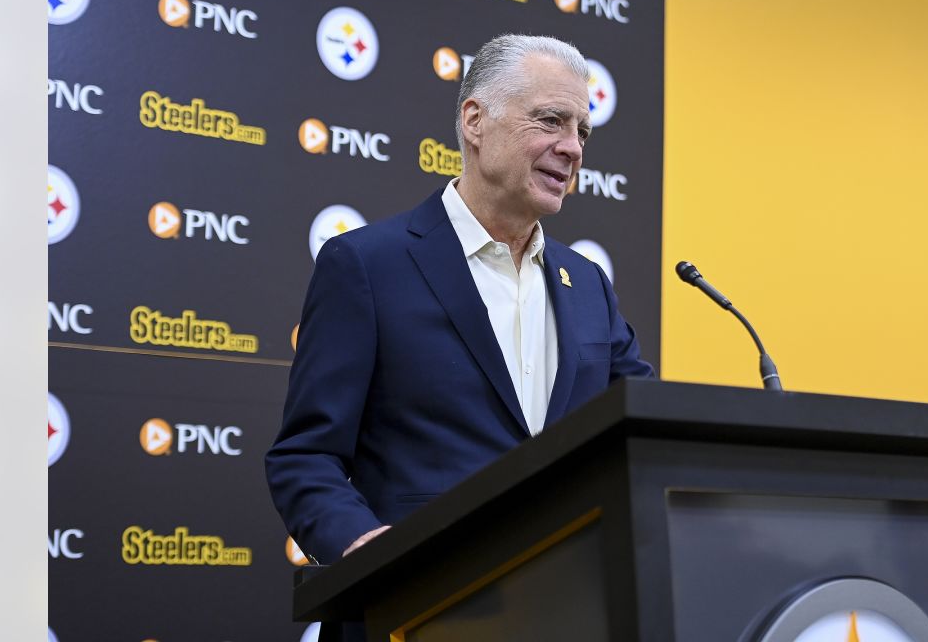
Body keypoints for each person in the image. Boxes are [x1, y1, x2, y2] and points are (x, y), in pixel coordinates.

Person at [265, 34, 653, 587]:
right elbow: (305, 457)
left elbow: (639, 434)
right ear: (475, 121)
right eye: (550, 121)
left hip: (567, 602)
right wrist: (365, 548)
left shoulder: (587, 283)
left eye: (582, 130)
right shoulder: (367, 265)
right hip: (418, 604)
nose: (573, 148)